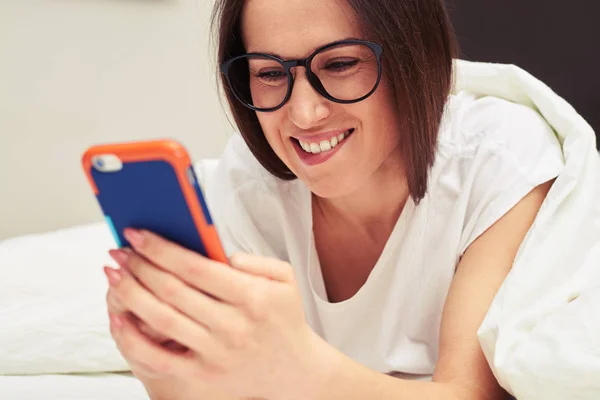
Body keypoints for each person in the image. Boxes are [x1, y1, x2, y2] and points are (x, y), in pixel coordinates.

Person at [103, 0, 565, 399]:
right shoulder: (249, 184)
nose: (303, 114)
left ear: (413, 57)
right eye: (268, 72)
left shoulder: (500, 159)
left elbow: (471, 395)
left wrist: (301, 369)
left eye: (340, 64)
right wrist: (161, 369)